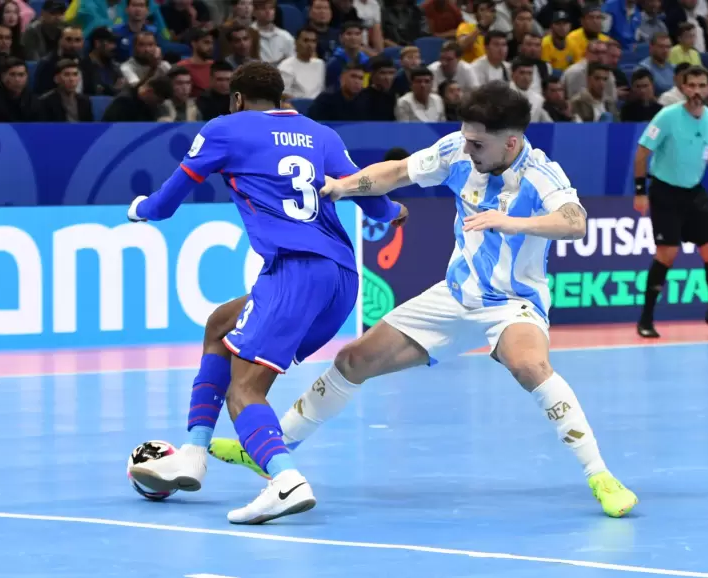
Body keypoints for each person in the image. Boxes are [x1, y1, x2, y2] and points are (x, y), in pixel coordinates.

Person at [210, 80, 640, 519]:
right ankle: (271, 445)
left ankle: (600, 476)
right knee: (353, 359)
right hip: (453, 296)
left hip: (513, 302)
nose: (468, 149)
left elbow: (574, 223)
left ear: (510, 142)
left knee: (529, 364)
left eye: (478, 143)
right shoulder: (457, 149)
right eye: (466, 138)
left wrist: (514, 223)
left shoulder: (541, 173)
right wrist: (345, 186)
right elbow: (396, 172)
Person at [124, 61, 408, 525]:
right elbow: (370, 196)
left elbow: (168, 200)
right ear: (280, 98)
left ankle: (284, 480)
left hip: (293, 271)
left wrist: (140, 210)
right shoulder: (320, 134)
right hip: (340, 277)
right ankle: (194, 453)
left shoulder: (225, 129)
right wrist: (393, 208)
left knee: (245, 391)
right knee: (221, 323)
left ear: (236, 99)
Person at [633, 66, 708, 338]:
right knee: (667, 254)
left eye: (701, 85)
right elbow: (642, 154)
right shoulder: (668, 116)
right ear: (683, 87)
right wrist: (640, 191)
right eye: (691, 85)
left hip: (694, 192)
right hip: (665, 191)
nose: (696, 91)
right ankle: (646, 319)